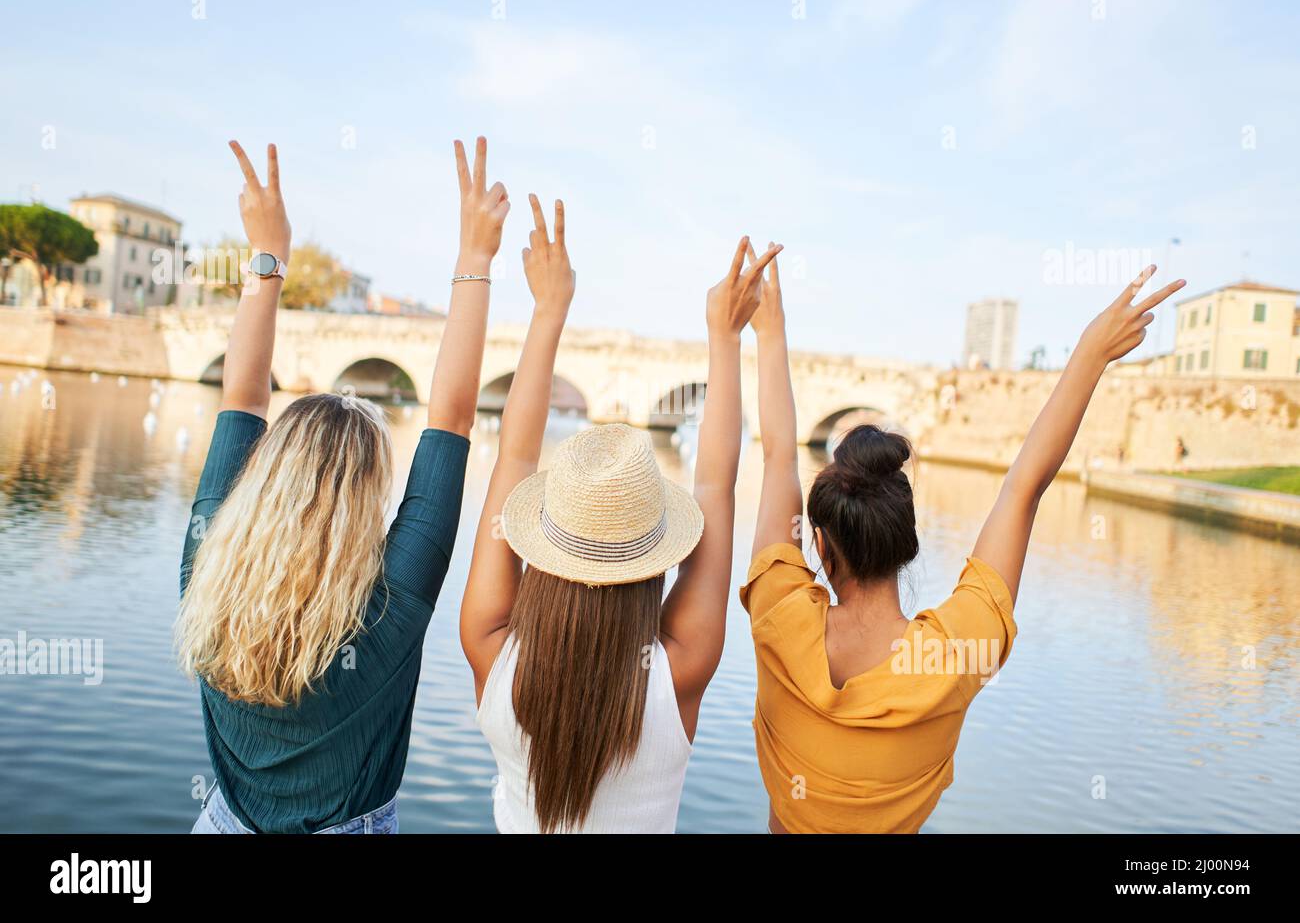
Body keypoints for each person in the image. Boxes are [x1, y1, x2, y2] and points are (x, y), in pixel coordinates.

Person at [742, 261, 1186, 833]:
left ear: (820, 547)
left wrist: (768, 331)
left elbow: (778, 455)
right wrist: (1089, 356)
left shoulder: (779, 619)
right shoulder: (950, 657)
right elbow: (1023, 487)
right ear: (907, 540)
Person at [178, 136, 509, 833]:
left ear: (265, 479)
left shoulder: (206, 565)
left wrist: (268, 258)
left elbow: (240, 399)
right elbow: (449, 417)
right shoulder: (388, 612)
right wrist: (475, 259)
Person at [459, 202, 781, 833]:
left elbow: (514, 457)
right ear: (653, 557)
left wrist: (548, 309)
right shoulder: (679, 671)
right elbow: (715, 486)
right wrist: (726, 337)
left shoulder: (490, 647)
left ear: (545, 544)